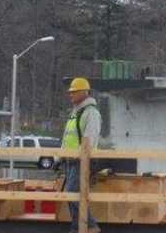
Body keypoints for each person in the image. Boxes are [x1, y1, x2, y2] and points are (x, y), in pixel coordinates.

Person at [61, 77, 102, 233]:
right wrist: (60, 157)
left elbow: (89, 139)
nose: (70, 95)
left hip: (81, 161)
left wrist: (82, 157)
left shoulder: (91, 113)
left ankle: (90, 226)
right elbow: (67, 136)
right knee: (70, 195)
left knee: (73, 193)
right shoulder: (75, 112)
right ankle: (78, 226)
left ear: (84, 92)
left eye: (74, 92)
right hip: (70, 160)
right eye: (70, 92)